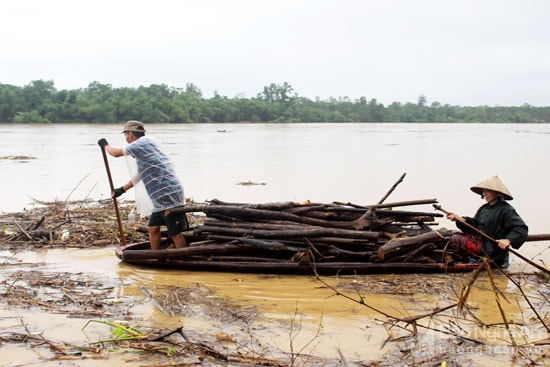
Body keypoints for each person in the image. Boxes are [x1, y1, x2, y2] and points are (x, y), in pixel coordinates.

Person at [98, 120, 188, 250]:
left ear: (130, 134)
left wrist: (105, 145)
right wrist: (122, 190)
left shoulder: (141, 143)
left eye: (125, 134)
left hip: (168, 193)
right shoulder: (147, 145)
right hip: (159, 198)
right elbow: (141, 175)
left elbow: (116, 153)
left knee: (175, 233)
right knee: (153, 228)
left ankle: (182, 261)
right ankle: (156, 257)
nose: (125, 137)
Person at [445, 175, 528, 267]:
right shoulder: (484, 209)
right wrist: (458, 218)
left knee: (455, 238)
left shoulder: (506, 209)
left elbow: (520, 228)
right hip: (480, 246)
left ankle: (463, 263)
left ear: (497, 192)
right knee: (455, 235)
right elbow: (474, 226)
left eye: (487, 191)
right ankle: (465, 261)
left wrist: (508, 240)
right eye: (484, 191)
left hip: (494, 251)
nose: (484, 193)